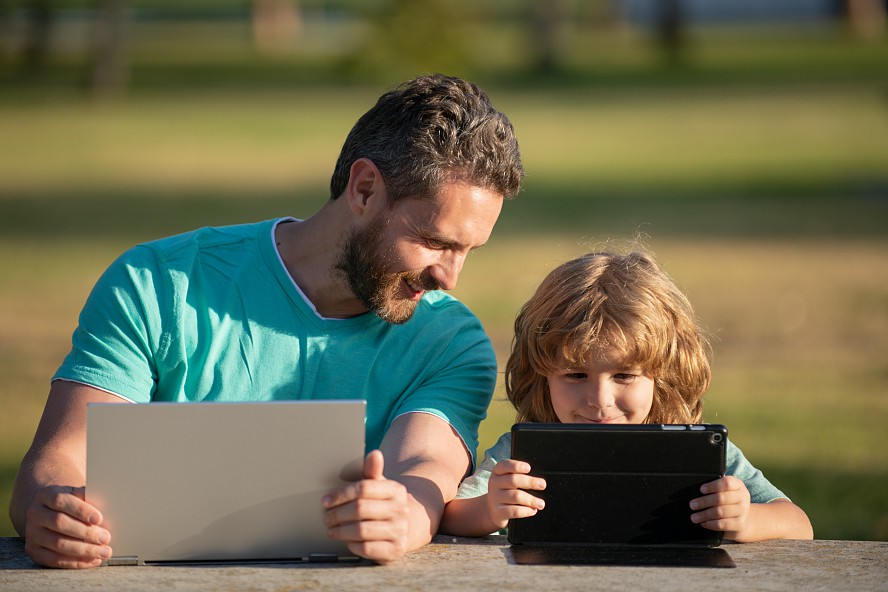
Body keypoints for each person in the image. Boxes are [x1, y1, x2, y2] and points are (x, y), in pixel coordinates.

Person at [10, 74, 525, 568]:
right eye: (435, 242)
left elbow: (421, 473)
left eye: (468, 251)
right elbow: (60, 460)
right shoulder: (160, 283)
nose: (450, 277)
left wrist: (403, 519)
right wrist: (52, 513)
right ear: (365, 189)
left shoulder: (451, 343)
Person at [439, 251, 813, 542]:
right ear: (541, 374)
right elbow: (449, 514)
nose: (599, 399)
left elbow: (798, 523)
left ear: (661, 375)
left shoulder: (695, 452)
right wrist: (490, 508)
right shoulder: (525, 453)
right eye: (575, 375)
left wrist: (746, 518)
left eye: (623, 375)